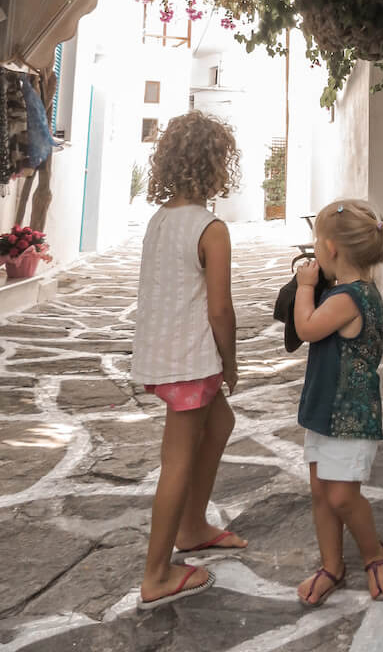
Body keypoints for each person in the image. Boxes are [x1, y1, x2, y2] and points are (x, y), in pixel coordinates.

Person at [130, 110, 248, 610]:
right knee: (176, 461)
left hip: (165, 355)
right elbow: (220, 308)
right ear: (217, 166)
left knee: (220, 423)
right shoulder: (211, 229)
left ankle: (194, 526)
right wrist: (232, 360)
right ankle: (156, 573)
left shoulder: (160, 221)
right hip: (191, 363)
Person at [294, 199, 383, 607]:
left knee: (341, 497)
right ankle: (332, 566)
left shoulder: (347, 299)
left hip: (348, 417)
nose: (314, 251)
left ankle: (374, 554)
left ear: (331, 249)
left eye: (315, 243)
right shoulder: (352, 291)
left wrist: (305, 287)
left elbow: (306, 328)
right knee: (321, 493)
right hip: (327, 410)